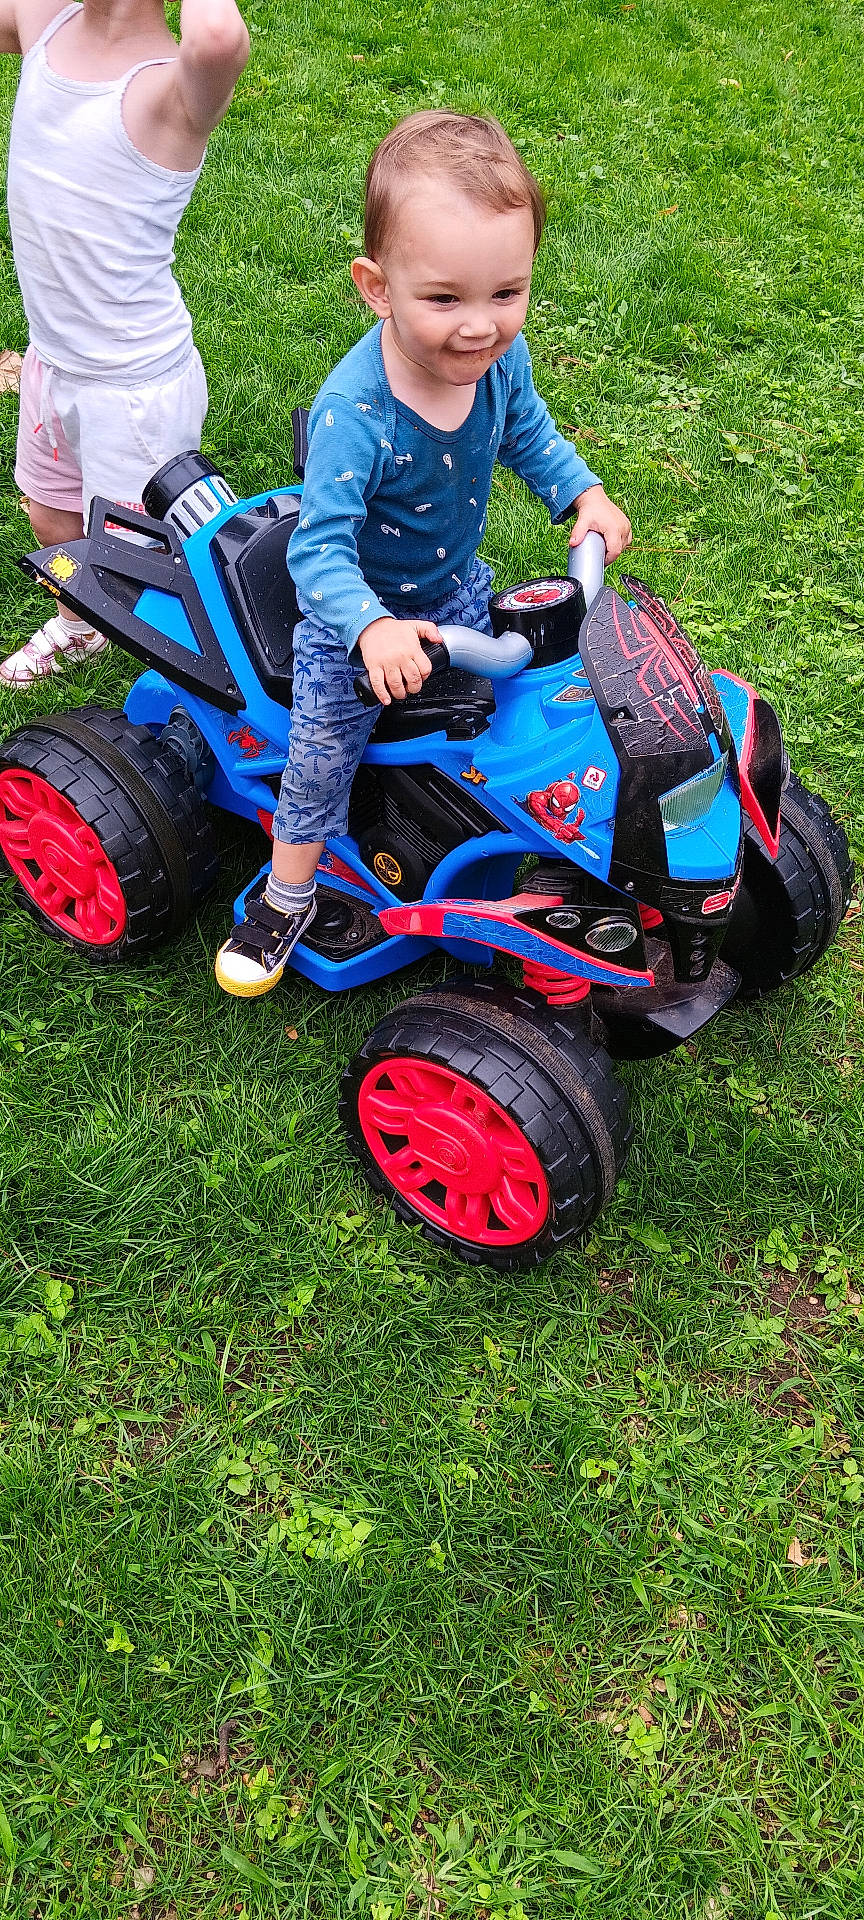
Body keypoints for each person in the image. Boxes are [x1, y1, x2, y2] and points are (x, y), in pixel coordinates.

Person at [215, 109, 632, 998]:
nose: (480, 326)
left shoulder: (494, 368)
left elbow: (531, 435)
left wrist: (581, 493)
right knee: (323, 756)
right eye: (444, 299)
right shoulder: (355, 414)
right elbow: (318, 554)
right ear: (377, 286)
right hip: (355, 621)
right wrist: (370, 630)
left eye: (505, 293)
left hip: (455, 594)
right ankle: (288, 895)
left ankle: (459, 836)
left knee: (494, 722)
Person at [0, 0, 249, 687]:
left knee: (146, 570)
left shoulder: (170, 87)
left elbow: (220, 35)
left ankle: (198, 695)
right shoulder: (41, 19)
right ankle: (83, 630)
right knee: (52, 519)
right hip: (54, 361)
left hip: (132, 392)